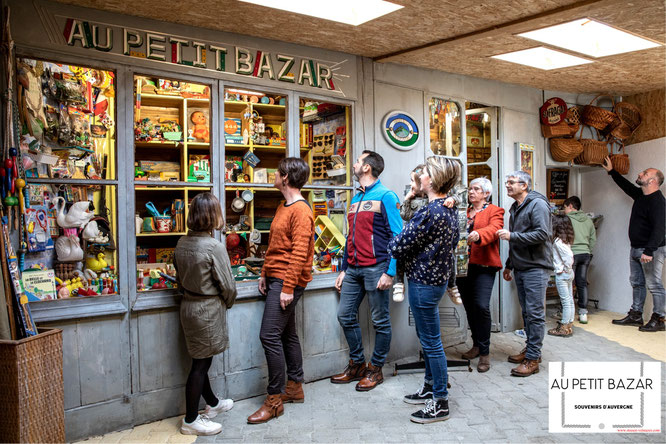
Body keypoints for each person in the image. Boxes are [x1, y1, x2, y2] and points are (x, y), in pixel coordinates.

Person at [387, 156, 460, 423]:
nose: (421, 176)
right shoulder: (449, 208)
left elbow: (398, 245)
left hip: (423, 283)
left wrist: (394, 240)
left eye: (425, 173)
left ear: (434, 179)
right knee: (429, 339)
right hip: (436, 281)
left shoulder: (430, 211)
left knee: (431, 342)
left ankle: (440, 401)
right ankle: (430, 386)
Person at [247, 158, 315, 424]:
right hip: (276, 277)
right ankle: (295, 387)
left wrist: (287, 287)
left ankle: (274, 400)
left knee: (268, 336)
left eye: (276, 173)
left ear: (285, 178)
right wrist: (264, 272)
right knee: (287, 335)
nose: (273, 176)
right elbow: (275, 245)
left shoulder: (301, 210)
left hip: (288, 281)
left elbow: (299, 252)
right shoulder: (282, 206)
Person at [332, 150, 403, 391]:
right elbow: (349, 236)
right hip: (353, 269)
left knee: (380, 321)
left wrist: (390, 272)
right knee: (344, 315)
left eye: (357, 161)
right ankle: (357, 364)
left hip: (377, 269)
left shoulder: (386, 196)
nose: (353, 164)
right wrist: (343, 269)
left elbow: (397, 236)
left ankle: (376, 369)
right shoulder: (355, 199)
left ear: (367, 168)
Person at [174, 193, 237, 436]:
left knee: (201, 360)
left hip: (188, 306)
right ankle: (190, 420)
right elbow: (229, 286)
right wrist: (226, 303)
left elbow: (180, 281)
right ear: (212, 216)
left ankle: (212, 403)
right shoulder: (214, 246)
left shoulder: (181, 243)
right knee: (200, 365)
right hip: (207, 310)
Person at [497, 170, 552, 377]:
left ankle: (533, 359)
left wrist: (512, 235)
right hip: (521, 267)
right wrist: (509, 265)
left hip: (536, 267)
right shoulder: (516, 207)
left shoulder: (537, 204)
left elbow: (542, 234)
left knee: (535, 314)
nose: (508, 185)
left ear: (524, 185)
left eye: (512, 182)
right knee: (527, 313)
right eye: (507, 182)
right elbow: (517, 244)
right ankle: (530, 350)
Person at [602, 158, 665, 332]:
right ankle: (636, 315)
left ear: (652, 181)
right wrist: (612, 171)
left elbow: (660, 229)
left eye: (644, 173)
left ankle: (659, 318)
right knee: (637, 282)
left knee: (654, 284)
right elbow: (626, 186)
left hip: (651, 250)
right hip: (636, 248)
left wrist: (649, 250)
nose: (640, 174)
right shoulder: (641, 196)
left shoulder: (658, 201)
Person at [394, 164, 465, 305]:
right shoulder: (413, 195)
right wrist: (407, 199)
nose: (411, 184)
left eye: (413, 180)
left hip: (430, 255)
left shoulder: (436, 204)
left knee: (449, 256)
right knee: (402, 254)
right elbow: (404, 215)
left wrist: (454, 200)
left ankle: (452, 285)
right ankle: (399, 283)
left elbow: (461, 193)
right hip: (415, 236)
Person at [457, 177, 504, 372]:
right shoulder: (464, 212)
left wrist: (479, 234)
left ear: (486, 193)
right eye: (470, 189)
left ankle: (484, 352)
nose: (471, 192)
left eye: (476, 189)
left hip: (484, 265)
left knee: (481, 306)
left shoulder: (495, 211)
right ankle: (476, 344)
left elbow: (495, 228)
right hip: (463, 266)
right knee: (469, 307)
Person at [563, 196, 596, 324]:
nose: (564, 210)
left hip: (572, 254)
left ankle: (567, 312)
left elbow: (562, 237)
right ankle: (583, 312)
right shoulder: (588, 220)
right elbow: (593, 239)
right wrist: (588, 249)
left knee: (568, 283)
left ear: (570, 206)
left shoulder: (567, 219)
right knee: (581, 283)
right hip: (585, 254)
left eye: (565, 207)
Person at [547, 214, 575, 337]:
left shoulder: (558, 242)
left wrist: (564, 268)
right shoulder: (566, 240)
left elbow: (568, 257)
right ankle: (569, 325)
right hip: (568, 273)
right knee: (570, 300)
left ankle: (563, 326)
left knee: (565, 301)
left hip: (562, 273)